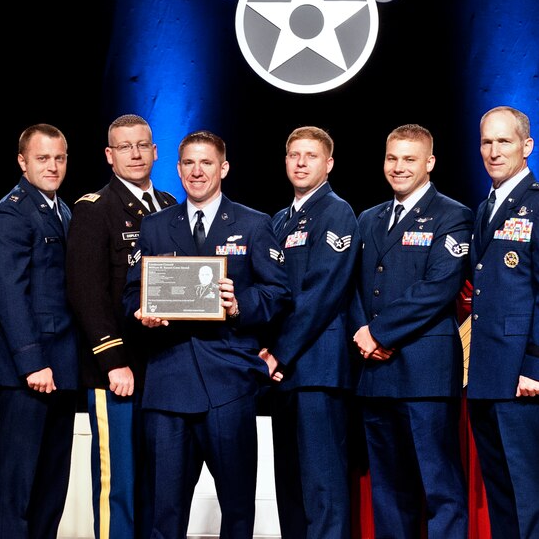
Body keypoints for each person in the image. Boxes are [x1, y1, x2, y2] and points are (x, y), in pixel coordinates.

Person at [122, 129, 291, 539]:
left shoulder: (254, 224)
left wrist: (239, 305)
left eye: (206, 162)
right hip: (167, 385)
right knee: (165, 515)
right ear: (178, 170)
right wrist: (141, 312)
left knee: (236, 512)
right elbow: (131, 293)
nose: (197, 171)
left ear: (224, 168)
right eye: (189, 163)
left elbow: (278, 294)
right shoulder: (155, 225)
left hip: (229, 385)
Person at [351, 123, 471, 538]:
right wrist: (362, 335)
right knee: (388, 487)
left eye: (409, 159)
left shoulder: (454, 215)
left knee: (439, 485)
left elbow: (438, 287)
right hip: (375, 372)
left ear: (430, 163)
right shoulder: (369, 218)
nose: (398, 167)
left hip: (426, 370)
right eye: (392, 158)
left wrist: (379, 333)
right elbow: (349, 289)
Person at [466, 105, 539, 538]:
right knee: (502, 496)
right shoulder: (485, 208)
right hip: (487, 376)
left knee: (534, 496)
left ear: (527, 146)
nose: (494, 151)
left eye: (504, 141)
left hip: (524, 376)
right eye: (487, 142)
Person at [65, 114, 177, 539]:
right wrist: (114, 362)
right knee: (121, 485)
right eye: (124, 147)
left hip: (164, 368)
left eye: (142, 145)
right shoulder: (95, 210)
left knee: (157, 480)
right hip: (119, 372)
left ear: (154, 150)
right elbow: (85, 293)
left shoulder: (170, 206)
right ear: (110, 156)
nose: (135, 154)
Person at [259, 126, 358, 539]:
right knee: (291, 489)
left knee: (323, 489)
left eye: (311, 155)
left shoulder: (337, 212)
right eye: (294, 155)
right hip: (282, 373)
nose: (300, 162)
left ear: (328, 163)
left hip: (316, 370)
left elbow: (321, 293)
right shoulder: (280, 220)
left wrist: (277, 352)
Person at [0, 123, 80, 539]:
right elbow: (9, 295)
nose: (53, 166)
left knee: (51, 483)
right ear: (23, 162)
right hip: (31, 372)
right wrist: (33, 363)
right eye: (43, 158)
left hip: (64, 368)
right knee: (16, 483)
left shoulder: (64, 210)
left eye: (59, 158)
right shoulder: (11, 212)